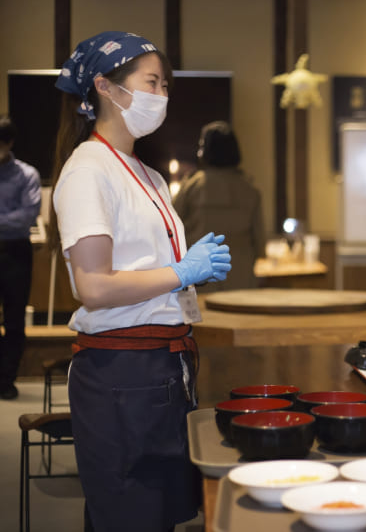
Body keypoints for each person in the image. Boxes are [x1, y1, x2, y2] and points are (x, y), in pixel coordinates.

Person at [50, 31, 231, 531]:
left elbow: (142, 267)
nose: (163, 96)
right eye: (152, 83)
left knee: (158, 514)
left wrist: (188, 270)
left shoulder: (148, 175)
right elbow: (93, 287)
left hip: (164, 366)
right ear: (105, 87)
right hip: (121, 373)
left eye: (167, 86)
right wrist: (180, 271)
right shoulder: (88, 169)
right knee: (130, 512)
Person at [173, 120, 266, 291]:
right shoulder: (249, 189)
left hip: (202, 274)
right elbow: (260, 242)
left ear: (205, 150)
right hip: (241, 276)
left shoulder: (192, 185)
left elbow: (171, 229)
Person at [0, 114, 41, 400]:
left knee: (15, 320)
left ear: (9, 143)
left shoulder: (27, 174)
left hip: (15, 252)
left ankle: (6, 380)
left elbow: (28, 216)